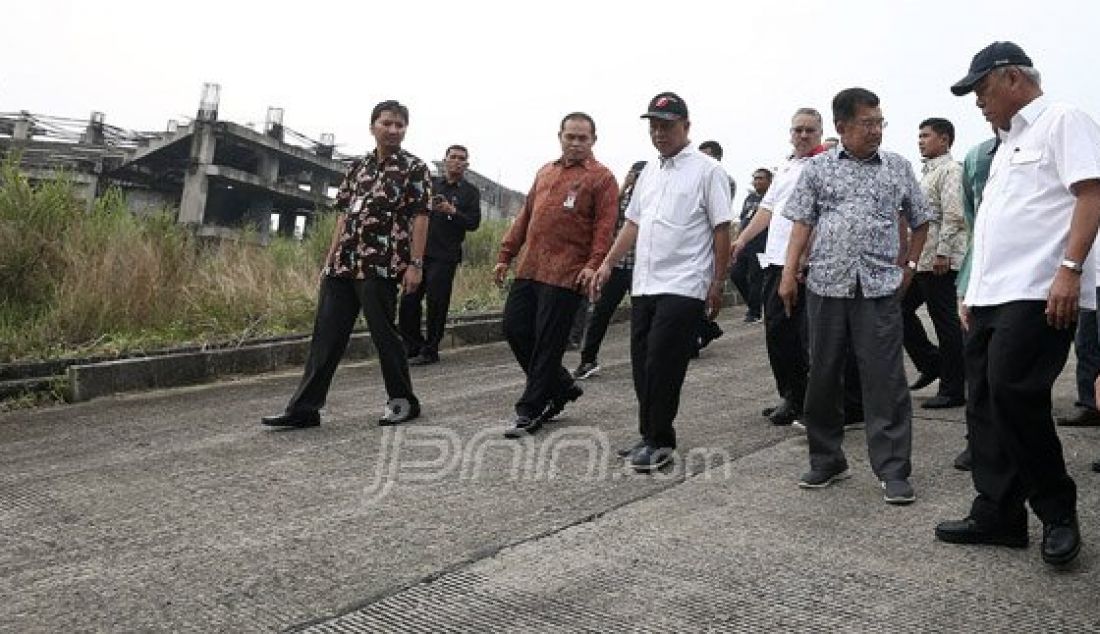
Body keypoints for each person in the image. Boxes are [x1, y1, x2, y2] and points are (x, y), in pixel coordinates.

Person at [936, 41, 1100, 567]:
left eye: (982, 89)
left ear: (1012, 79)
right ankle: (999, 513)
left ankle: (1057, 512)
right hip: (990, 294)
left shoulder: (1061, 120)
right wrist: (971, 291)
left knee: (1013, 392)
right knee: (982, 401)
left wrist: (1070, 271)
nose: (979, 102)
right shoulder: (1003, 145)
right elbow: (997, 224)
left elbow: (1091, 193)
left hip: (1038, 290)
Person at [779, 87, 932, 505]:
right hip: (826, 284)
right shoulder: (818, 169)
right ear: (842, 126)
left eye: (880, 122)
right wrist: (789, 274)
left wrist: (910, 266)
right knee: (823, 375)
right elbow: (801, 225)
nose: (876, 130)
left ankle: (894, 470)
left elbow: (920, 220)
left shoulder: (898, 168)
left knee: (885, 380)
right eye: (868, 123)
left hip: (880, 288)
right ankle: (827, 459)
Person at [261, 100, 430, 428]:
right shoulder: (358, 167)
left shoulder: (415, 167)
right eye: (387, 123)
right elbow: (344, 215)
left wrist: (416, 264)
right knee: (326, 336)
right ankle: (305, 408)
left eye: (400, 125)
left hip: (380, 264)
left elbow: (421, 217)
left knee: (384, 335)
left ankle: (402, 401)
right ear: (373, 127)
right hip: (343, 263)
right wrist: (329, 260)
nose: (394, 130)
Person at [593, 92, 733, 472]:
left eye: (667, 126)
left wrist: (717, 282)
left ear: (686, 126)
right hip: (645, 282)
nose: (659, 133)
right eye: (654, 126)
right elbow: (633, 223)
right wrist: (607, 263)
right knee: (642, 362)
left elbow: (723, 229)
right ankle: (647, 433)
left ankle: (660, 441)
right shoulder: (650, 172)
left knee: (663, 363)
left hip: (685, 283)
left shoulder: (708, 171)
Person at [494, 112, 619, 438]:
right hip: (531, 267)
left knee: (548, 343)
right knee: (514, 328)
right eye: (570, 136)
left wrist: (593, 265)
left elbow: (605, 229)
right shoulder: (545, 172)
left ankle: (531, 409)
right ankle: (561, 385)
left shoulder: (602, 179)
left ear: (593, 140)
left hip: (568, 274)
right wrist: (506, 255)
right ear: (560, 136)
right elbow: (525, 217)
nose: (576, 143)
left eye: (583, 138)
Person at [731, 108, 826, 427]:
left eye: (809, 130)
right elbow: (767, 209)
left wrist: (803, 257)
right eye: (798, 129)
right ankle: (788, 393)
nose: (803, 135)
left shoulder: (823, 165)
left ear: (820, 132)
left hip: (803, 263)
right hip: (774, 258)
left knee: (798, 335)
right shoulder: (785, 166)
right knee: (775, 330)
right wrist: (741, 240)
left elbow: (819, 215)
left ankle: (803, 400)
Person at [902, 118, 968, 408]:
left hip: (940, 259)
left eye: (926, 135)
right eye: (919, 135)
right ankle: (932, 363)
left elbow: (954, 214)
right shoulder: (927, 172)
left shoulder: (951, 170)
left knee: (946, 323)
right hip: (923, 258)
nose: (920, 140)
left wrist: (943, 252)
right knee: (899, 309)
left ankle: (954, 389)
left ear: (944, 139)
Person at [399, 145, 481, 366]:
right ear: (444, 160)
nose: (456, 161)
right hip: (420, 252)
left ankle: (431, 349)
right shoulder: (431, 184)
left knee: (437, 303)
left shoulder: (470, 192)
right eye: (452, 157)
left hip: (446, 255)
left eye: (461, 158)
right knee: (409, 299)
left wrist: (453, 212)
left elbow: (474, 223)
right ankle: (412, 345)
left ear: (467, 164)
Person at [573, 160, 647, 380]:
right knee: (600, 314)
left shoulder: (655, 200)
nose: (638, 179)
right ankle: (588, 359)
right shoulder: (619, 199)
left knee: (643, 317)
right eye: (635, 175)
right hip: (615, 267)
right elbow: (606, 222)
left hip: (641, 269)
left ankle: (645, 362)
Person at [951, 131, 998, 471]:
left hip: (1029, 286)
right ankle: (979, 443)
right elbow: (971, 217)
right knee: (978, 370)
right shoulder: (977, 156)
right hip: (979, 276)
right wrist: (965, 284)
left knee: (1012, 377)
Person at [695, 140, 735, 351]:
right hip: (697, 246)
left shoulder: (724, 180)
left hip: (713, 244)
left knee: (704, 293)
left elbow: (721, 221)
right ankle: (704, 329)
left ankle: (701, 331)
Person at [730, 168, 772, 323]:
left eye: (761, 178)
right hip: (745, 244)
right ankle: (755, 304)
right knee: (736, 274)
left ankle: (754, 312)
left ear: (769, 181)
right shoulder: (750, 198)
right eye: (755, 178)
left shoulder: (772, 198)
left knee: (757, 278)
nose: (757, 181)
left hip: (762, 245)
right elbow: (743, 220)